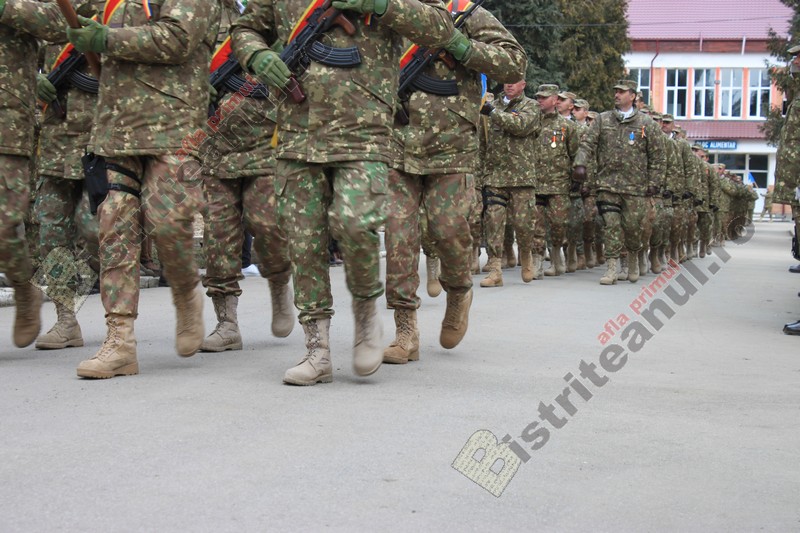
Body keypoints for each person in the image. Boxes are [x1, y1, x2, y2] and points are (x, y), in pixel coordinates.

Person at [231, 0, 456, 384]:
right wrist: (255, 54)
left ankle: (366, 314)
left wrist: (381, 5)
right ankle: (316, 349)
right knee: (304, 241)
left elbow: (439, 27)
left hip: (364, 131)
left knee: (355, 224)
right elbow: (246, 28)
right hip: (297, 131)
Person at [64, 0, 222, 378]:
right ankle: (120, 342)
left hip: (174, 125)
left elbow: (177, 38)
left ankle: (185, 289)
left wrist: (105, 38)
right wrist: (88, 31)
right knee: (113, 225)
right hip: (116, 127)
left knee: (168, 222)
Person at [382, 4, 526, 364]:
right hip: (397, 141)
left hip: (452, 144)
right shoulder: (393, 10)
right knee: (398, 236)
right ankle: (405, 330)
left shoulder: (464, 12)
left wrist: (462, 46)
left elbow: (514, 63)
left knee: (448, 230)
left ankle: (459, 291)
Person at [199, 1, 294, 353]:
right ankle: (226, 323)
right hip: (214, 139)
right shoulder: (202, 10)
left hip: (266, 137)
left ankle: (279, 281)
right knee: (218, 235)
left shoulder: (271, 8)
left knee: (267, 222)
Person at [30, 1, 104, 351]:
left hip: (99, 141)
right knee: (51, 232)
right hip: (56, 141)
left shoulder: (112, 11)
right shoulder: (47, 12)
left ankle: (119, 314)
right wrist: (34, 80)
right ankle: (66, 321)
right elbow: (22, 59)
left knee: (95, 229)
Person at [0, 0, 62, 348]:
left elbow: (58, 22)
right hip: (33, 128)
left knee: (6, 224)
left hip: (8, 126)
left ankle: (25, 286)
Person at [573, 79, 665, 285]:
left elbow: (658, 156)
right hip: (607, 184)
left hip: (635, 187)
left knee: (632, 227)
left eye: (622, 92)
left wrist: (654, 182)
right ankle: (612, 268)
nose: (617, 95)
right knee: (611, 226)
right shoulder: (603, 119)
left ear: (632, 96)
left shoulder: (646, 123)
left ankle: (631, 260)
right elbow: (587, 143)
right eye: (615, 91)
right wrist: (580, 164)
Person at [479, 79, 541, 287]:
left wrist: (492, 113)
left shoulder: (531, 106)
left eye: (514, 81)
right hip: (495, 175)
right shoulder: (491, 106)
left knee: (524, 224)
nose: (509, 85)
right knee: (493, 222)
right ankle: (495, 268)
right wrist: (482, 173)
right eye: (506, 81)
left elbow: (520, 126)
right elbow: (482, 141)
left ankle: (526, 254)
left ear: (523, 84)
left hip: (521, 176)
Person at [532, 84, 579, 277]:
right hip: (535, 182)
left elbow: (575, 154)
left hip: (559, 183)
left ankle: (556, 252)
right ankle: (537, 262)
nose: (540, 101)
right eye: (538, 97)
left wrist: (577, 178)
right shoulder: (531, 122)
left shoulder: (567, 126)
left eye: (544, 97)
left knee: (559, 223)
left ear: (554, 100)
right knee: (536, 225)